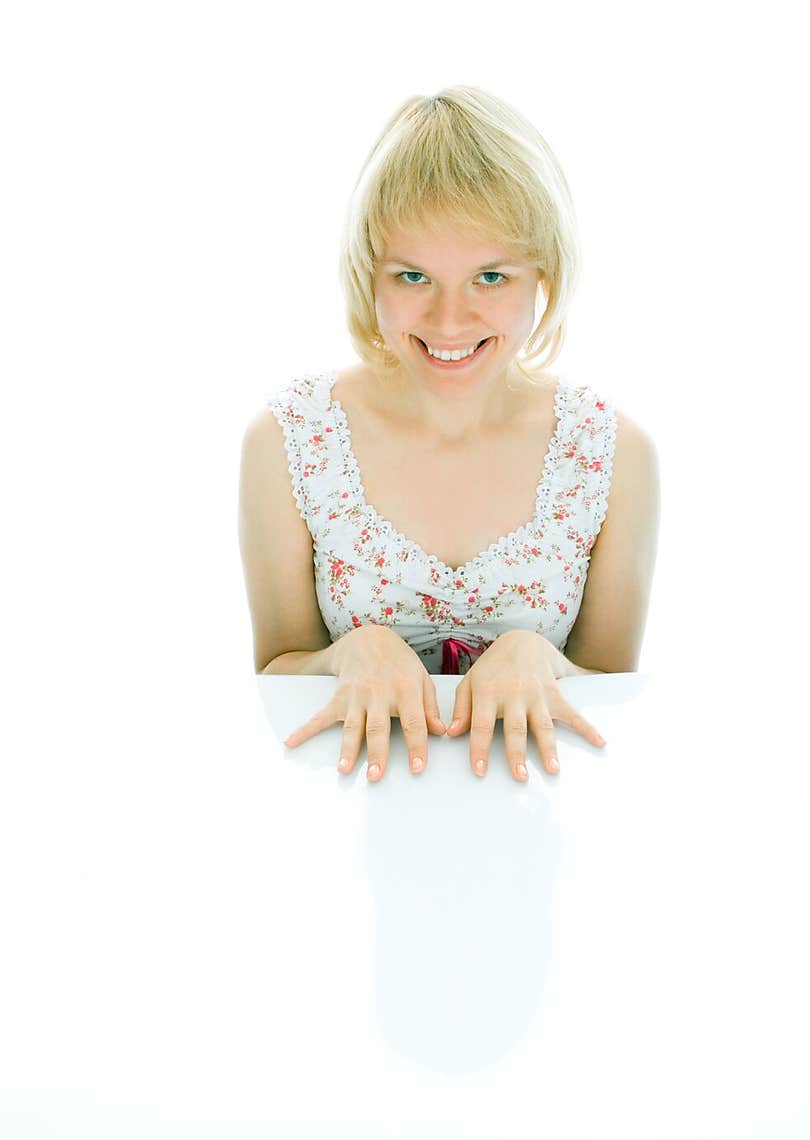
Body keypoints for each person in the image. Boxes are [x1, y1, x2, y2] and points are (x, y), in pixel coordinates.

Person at [239, 86, 660, 784]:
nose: (450, 319)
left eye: (491, 276)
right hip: (341, 813)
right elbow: (276, 680)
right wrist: (353, 650)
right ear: (366, 274)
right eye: (413, 276)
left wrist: (539, 654)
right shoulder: (288, 441)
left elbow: (614, 702)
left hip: (544, 818)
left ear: (543, 276)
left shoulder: (615, 456)